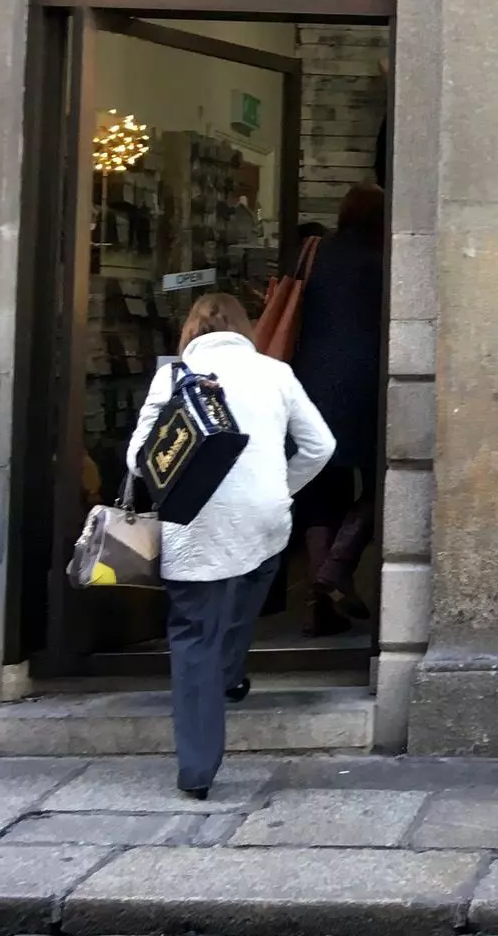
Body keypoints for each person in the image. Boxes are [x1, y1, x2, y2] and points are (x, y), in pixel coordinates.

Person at [127, 293, 335, 799]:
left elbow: (139, 461)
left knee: (196, 636)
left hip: (193, 522)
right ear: (245, 327)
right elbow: (321, 445)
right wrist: (281, 485)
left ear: (191, 331)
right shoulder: (275, 373)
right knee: (245, 594)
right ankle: (229, 674)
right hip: (264, 518)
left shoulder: (174, 375)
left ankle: (197, 771)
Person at [290, 183, 387, 636]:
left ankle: (318, 603)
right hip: (369, 385)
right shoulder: (385, 260)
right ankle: (337, 565)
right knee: (383, 479)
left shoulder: (312, 252)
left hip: (310, 384)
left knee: (319, 491)